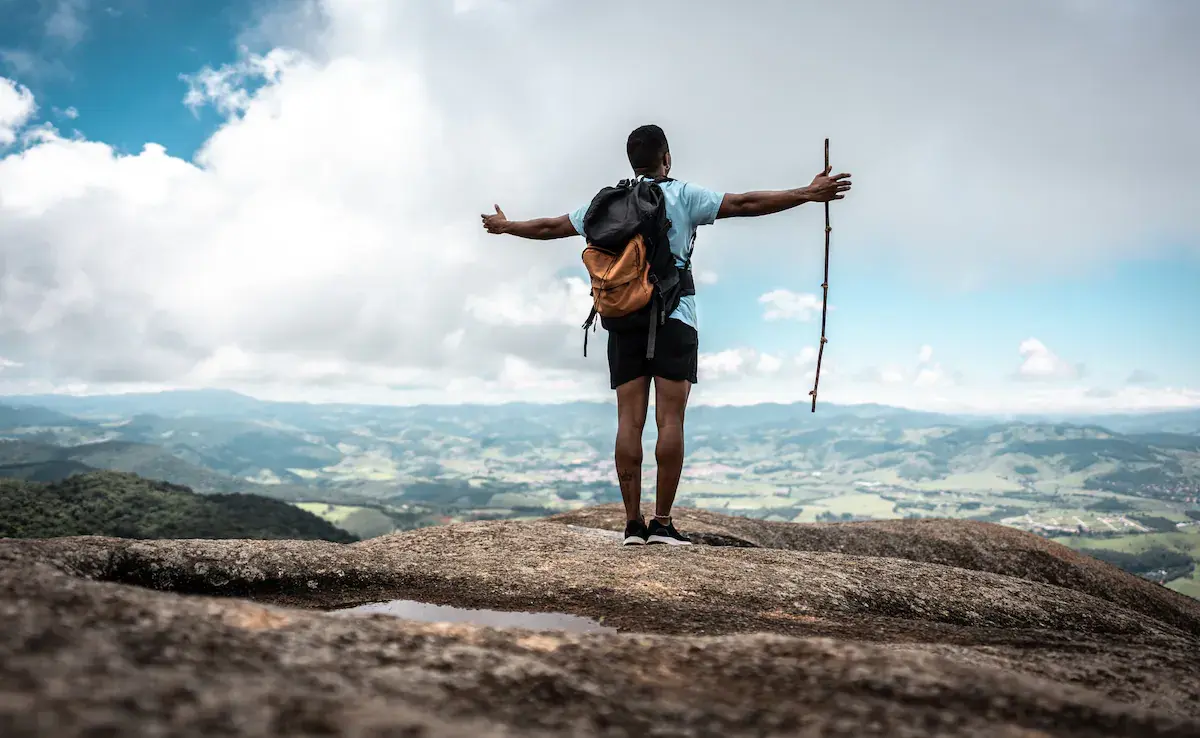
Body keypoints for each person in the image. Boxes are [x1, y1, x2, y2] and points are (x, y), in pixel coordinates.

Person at [481, 124, 851, 546]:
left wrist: (506, 226)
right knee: (669, 420)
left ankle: (631, 526)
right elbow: (746, 203)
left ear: (632, 161)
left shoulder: (604, 204)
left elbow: (549, 228)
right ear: (667, 158)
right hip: (675, 316)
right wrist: (806, 192)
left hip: (622, 321)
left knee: (628, 421)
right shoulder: (683, 195)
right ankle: (661, 524)